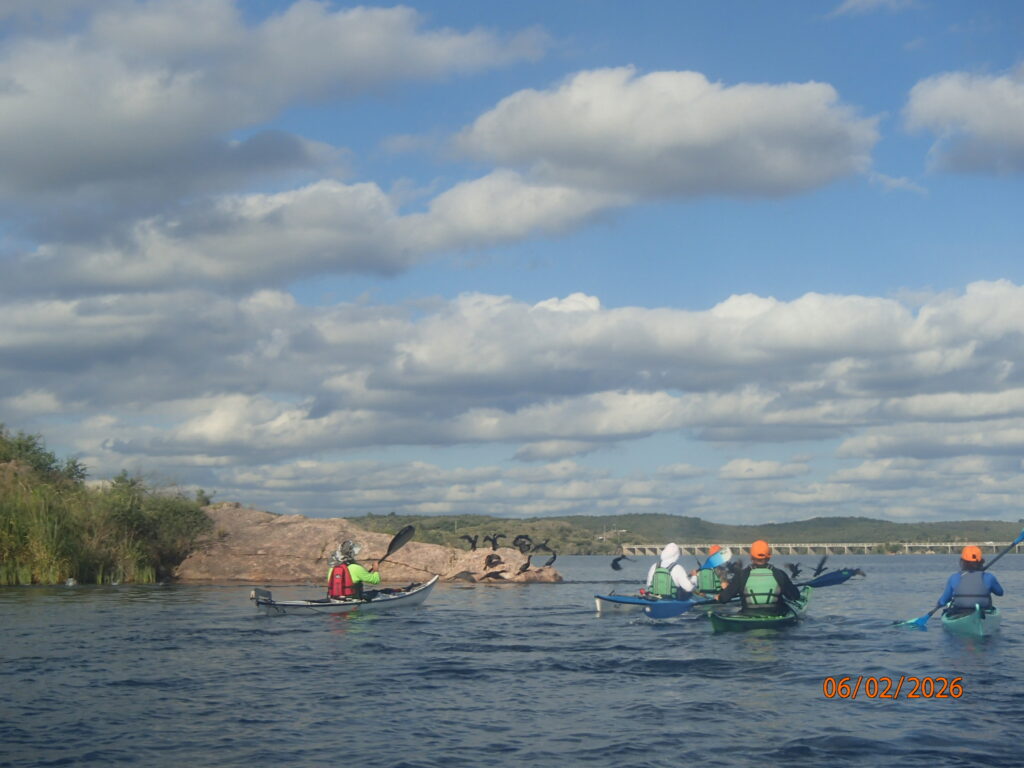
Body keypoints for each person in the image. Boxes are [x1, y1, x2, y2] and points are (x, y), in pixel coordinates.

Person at [716, 540, 801, 614]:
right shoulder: (780, 574)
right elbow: (795, 596)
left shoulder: (741, 575)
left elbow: (724, 599)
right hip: (775, 615)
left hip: (748, 615)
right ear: (769, 557)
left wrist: (719, 597)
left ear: (751, 557)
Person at [937, 545, 1003, 617]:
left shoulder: (954, 577)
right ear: (981, 561)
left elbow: (943, 601)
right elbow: (1000, 592)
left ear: (962, 561)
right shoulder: (989, 577)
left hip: (959, 612)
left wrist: (939, 604)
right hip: (983, 611)